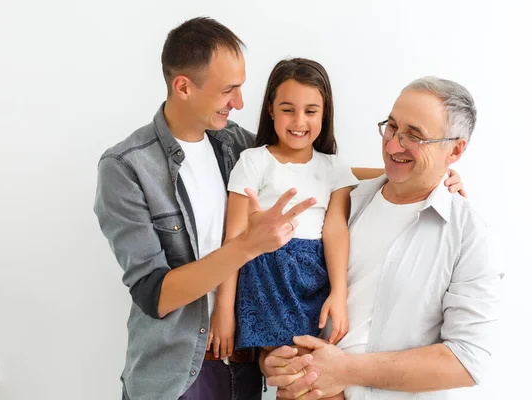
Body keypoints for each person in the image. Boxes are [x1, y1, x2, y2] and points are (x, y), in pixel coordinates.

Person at [94, 16, 464, 400]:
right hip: (177, 370)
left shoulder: (232, 143)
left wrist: (426, 173)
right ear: (183, 86)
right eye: (229, 90)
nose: (239, 103)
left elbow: (308, 169)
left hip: (247, 363)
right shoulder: (127, 168)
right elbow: (156, 295)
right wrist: (249, 247)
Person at [262, 77, 502, 400]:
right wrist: (272, 358)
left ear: (455, 149)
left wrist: (344, 370)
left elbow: (466, 359)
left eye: (414, 136)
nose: (392, 146)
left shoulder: (469, 235)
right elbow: (287, 291)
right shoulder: (341, 203)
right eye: (391, 127)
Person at [209, 59, 355, 400]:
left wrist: (339, 293)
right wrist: (224, 310)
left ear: (324, 113)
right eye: (288, 109)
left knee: (312, 373)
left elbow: (335, 230)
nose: (299, 121)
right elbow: (234, 238)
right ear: (271, 110)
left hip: (313, 278)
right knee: (295, 369)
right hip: (268, 277)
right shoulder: (254, 161)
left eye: (311, 111)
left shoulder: (334, 167)